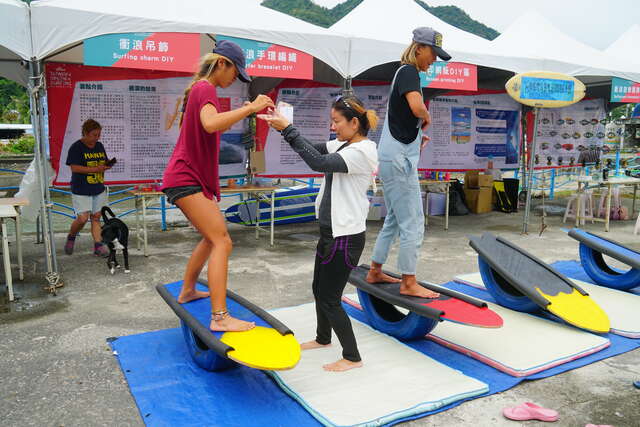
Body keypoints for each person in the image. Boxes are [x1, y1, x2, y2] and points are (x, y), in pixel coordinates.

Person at [160, 40, 274, 332]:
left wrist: (246, 108)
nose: (235, 78)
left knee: (212, 237)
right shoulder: (204, 88)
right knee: (223, 240)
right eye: (235, 71)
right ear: (222, 63)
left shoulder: (200, 89)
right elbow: (211, 125)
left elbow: (213, 125)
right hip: (186, 177)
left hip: (189, 177)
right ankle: (220, 317)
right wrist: (252, 109)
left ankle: (187, 289)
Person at [264, 95, 379, 372]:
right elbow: (312, 151)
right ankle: (323, 338)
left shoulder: (361, 151)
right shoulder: (343, 143)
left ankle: (352, 357)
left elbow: (318, 163)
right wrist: (283, 127)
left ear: (354, 122)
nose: (332, 127)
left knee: (330, 298)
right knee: (318, 289)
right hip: (330, 233)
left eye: (337, 121)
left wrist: (287, 130)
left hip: (346, 237)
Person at [366, 27, 451, 298]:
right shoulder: (409, 72)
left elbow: (404, 117)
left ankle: (375, 269)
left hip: (393, 156)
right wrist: (427, 117)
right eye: (432, 53)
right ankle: (408, 281)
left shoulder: (403, 74)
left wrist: (417, 136)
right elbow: (416, 107)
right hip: (399, 161)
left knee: (394, 218)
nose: (434, 60)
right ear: (418, 48)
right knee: (413, 221)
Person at [64, 119, 112, 257]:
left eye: (98, 135)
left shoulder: (99, 146)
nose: (96, 138)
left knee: (96, 216)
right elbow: (74, 167)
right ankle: (72, 236)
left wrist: (106, 165)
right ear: (85, 133)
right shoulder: (76, 147)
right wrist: (95, 169)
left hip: (98, 187)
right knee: (82, 218)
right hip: (81, 188)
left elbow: (103, 161)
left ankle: (98, 245)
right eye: (93, 135)